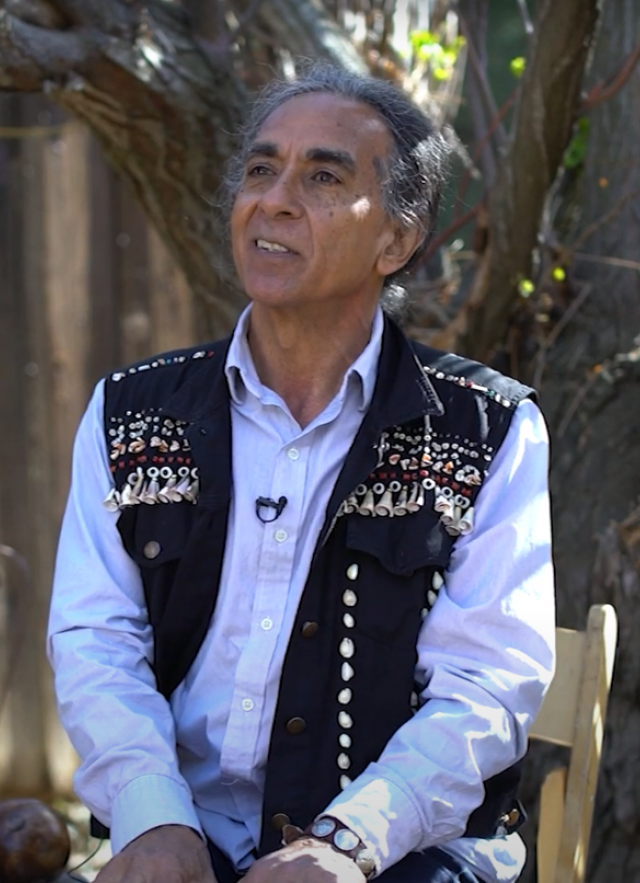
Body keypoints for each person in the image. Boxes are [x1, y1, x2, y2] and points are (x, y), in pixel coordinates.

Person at [47, 63, 555, 883]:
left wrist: (346, 843)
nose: (273, 199)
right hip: (186, 831)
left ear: (398, 238)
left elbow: (487, 689)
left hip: (404, 851)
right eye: (260, 169)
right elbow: (95, 640)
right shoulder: (129, 413)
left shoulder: (487, 430)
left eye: (322, 176)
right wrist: (152, 815)